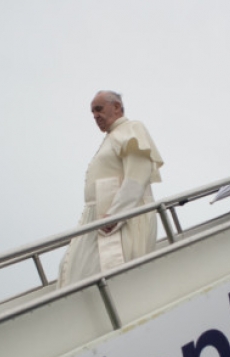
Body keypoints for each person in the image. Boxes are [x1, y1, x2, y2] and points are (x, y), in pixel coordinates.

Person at [58, 91, 163, 287]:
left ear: (116, 107)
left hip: (120, 219)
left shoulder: (132, 128)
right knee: (75, 272)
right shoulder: (111, 137)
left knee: (102, 277)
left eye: (99, 109)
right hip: (99, 217)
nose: (95, 116)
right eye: (92, 112)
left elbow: (136, 177)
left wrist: (116, 214)